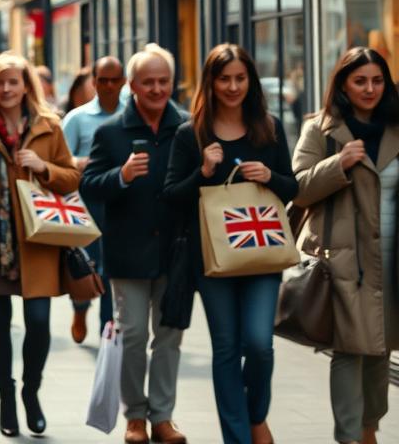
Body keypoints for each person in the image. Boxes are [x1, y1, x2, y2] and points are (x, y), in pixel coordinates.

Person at [163, 44, 297, 444]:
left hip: (263, 254)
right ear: (212, 82)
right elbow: (171, 196)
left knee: (258, 343)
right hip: (212, 259)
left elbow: (293, 188)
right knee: (225, 347)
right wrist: (203, 171)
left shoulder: (268, 128)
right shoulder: (191, 134)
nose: (233, 86)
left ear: (251, 81)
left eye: (240, 78)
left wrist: (270, 176)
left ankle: (256, 415)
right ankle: (237, 437)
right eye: (224, 78)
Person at [0, 53, 80, 437]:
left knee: (39, 324)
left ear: (26, 85)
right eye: (0, 83)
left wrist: (44, 168)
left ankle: (31, 392)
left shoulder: (48, 126)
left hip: (36, 243)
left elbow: (71, 178)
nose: (7, 89)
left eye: (13, 82)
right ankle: (6, 397)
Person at [81, 45, 189, 444]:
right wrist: (122, 176)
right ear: (132, 86)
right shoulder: (111, 132)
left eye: (164, 81)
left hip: (176, 251)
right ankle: (135, 416)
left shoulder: (187, 128)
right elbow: (89, 184)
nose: (158, 89)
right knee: (133, 335)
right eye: (149, 82)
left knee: (169, 335)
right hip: (128, 251)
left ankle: (163, 416)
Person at [292, 47, 399, 444]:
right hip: (344, 256)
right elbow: (298, 187)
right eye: (360, 81)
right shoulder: (320, 129)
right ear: (342, 84)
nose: (370, 89)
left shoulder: (396, 126)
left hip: (392, 254)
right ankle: (350, 436)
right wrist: (338, 165)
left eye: (377, 80)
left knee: (382, 347)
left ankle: (369, 427)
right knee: (349, 349)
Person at [62, 57, 124, 343]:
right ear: (94, 82)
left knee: (111, 268)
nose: (109, 86)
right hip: (85, 201)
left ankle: (107, 331)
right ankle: (80, 307)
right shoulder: (78, 118)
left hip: (120, 200)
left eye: (115, 80)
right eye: (103, 80)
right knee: (86, 264)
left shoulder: (130, 117)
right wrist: (79, 162)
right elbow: (60, 161)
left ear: (124, 81)